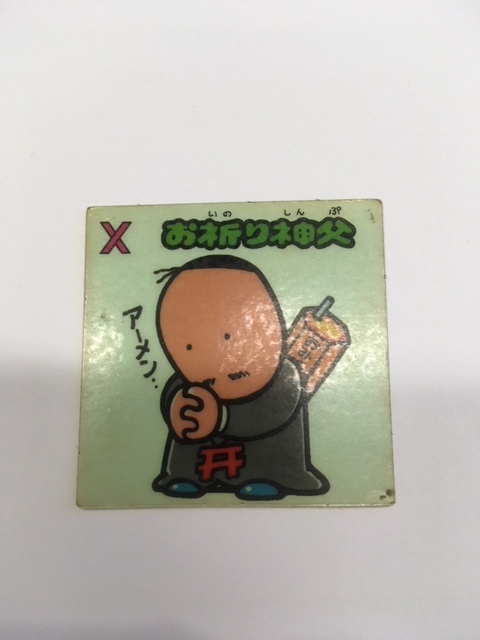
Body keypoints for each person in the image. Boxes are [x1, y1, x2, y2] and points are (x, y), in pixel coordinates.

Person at [151, 255, 329, 500]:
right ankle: (184, 475)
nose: (216, 356)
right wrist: (177, 408)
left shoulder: (284, 377)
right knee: (189, 439)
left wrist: (222, 418)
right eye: (189, 347)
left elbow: (273, 413)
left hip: (266, 457)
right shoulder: (186, 381)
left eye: (228, 337)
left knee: (270, 456)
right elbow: (172, 402)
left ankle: (270, 477)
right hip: (203, 462)